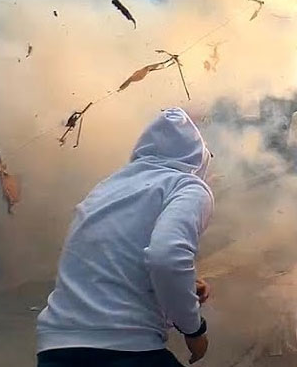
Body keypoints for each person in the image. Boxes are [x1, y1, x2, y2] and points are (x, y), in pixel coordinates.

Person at [36, 108, 214, 367]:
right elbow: (167, 258)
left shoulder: (108, 187)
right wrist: (194, 330)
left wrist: (183, 284)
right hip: (123, 349)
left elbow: (110, 260)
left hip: (56, 347)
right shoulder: (188, 186)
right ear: (198, 159)